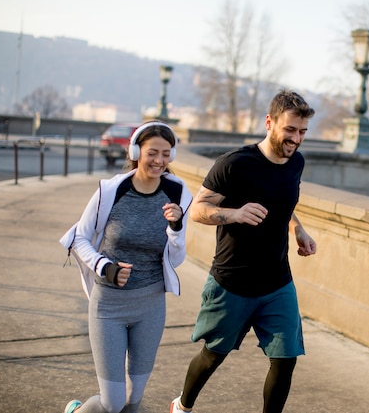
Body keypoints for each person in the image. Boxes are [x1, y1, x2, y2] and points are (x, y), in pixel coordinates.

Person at [170, 90, 317, 413]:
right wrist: (234, 214)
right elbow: (197, 210)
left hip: (277, 281)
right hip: (232, 281)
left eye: (302, 132)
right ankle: (182, 406)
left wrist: (298, 229)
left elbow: (283, 204)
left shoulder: (296, 163)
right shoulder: (234, 164)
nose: (296, 139)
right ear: (269, 122)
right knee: (213, 355)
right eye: (290, 130)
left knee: (285, 359)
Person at [59, 121, 193, 413]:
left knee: (134, 399)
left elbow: (177, 258)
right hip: (109, 305)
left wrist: (176, 226)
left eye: (166, 154)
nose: (159, 160)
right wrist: (105, 267)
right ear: (136, 151)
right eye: (152, 152)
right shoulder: (111, 191)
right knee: (112, 401)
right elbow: (79, 238)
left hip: (151, 304)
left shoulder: (179, 193)